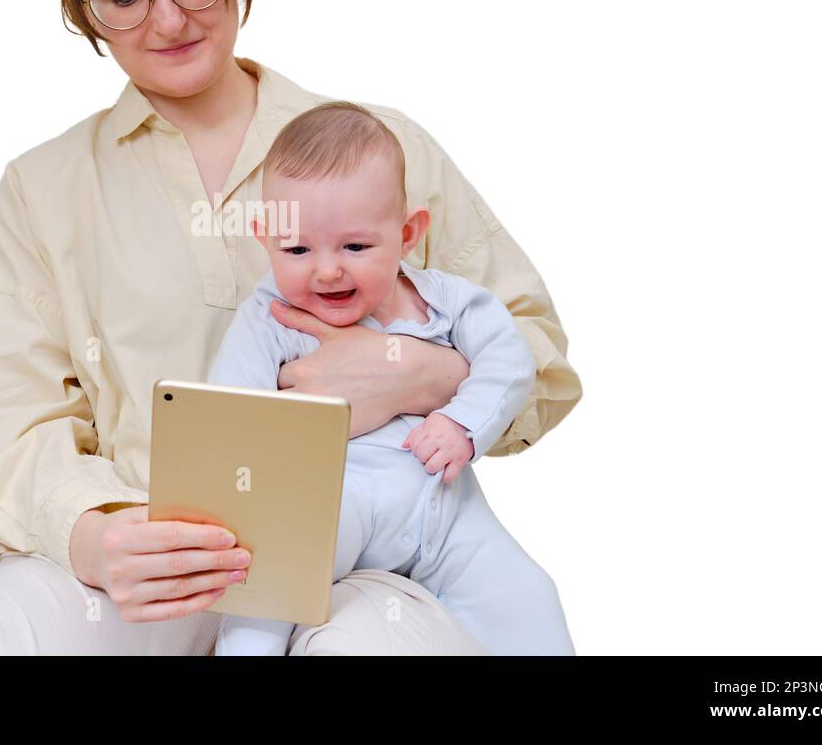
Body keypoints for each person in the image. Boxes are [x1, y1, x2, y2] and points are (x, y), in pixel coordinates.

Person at [0, 0, 582, 656]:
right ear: (80, 8)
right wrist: (92, 535)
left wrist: (425, 373)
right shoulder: (42, 187)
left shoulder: (382, 149)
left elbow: (538, 356)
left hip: (361, 554)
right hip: (138, 549)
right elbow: (2, 423)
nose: (169, 19)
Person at [208, 101, 575, 656]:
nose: (327, 269)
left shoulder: (446, 300)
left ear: (407, 234)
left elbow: (509, 358)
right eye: (298, 249)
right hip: (330, 509)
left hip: (444, 513)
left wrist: (462, 423)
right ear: (266, 239)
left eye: (355, 246)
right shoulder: (269, 318)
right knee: (270, 576)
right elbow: (231, 416)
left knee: (528, 597)